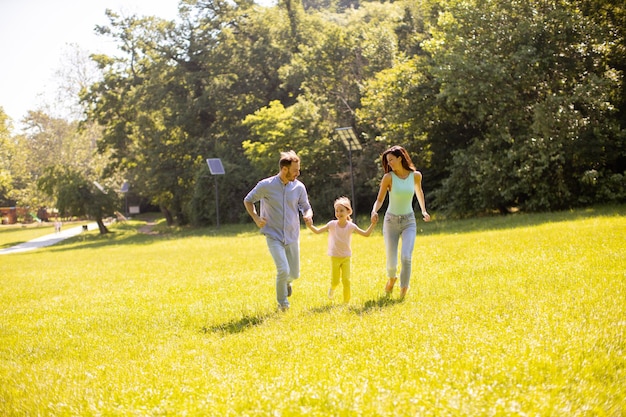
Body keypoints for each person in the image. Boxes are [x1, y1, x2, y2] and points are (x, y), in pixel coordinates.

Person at [244, 150, 313, 311]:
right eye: (295, 170)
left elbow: (306, 206)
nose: (298, 173)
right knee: (283, 269)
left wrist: (308, 215)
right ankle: (283, 304)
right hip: (273, 235)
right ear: (284, 169)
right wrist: (256, 217)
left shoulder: (299, 187)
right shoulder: (266, 186)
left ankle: (287, 282)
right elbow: (248, 200)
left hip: (292, 234)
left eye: (298, 170)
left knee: (294, 274)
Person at [370, 145, 431, 299]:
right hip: (391, 222)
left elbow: (419, 192)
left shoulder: (415, 176)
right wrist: (374, 210)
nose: (389, 163)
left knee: (406, 256)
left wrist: (423, 210)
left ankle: (403, 290)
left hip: (409, 221)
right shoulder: (388, 178)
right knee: (391, 261)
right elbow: (380, 199)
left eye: (391, 160)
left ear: (400, 158)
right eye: (387, 161)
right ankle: (392, 278)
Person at [305, 197, 377, 303]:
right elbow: (317, 231)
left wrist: (373, 224)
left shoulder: (351, 226)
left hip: (346, 257)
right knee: (335, 281)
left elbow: (366, 234)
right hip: (335, 257)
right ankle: (332, 288)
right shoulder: (332, 224)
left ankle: (346, 302)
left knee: (346, 280)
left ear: (348, 211)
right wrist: (309, 225)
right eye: (337, 211)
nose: (339, 213)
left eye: (341, 210)